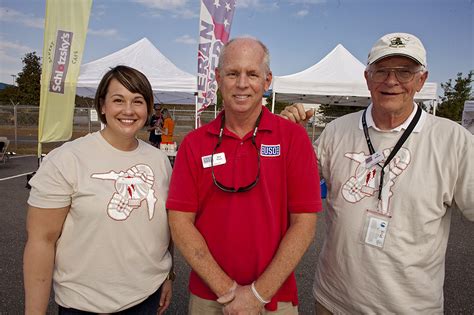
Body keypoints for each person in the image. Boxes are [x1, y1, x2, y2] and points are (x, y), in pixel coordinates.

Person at [281, 32, 474, 314]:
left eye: (404, 72)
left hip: (411, 308)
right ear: (367, 77)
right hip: (333, 301)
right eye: (381, 71)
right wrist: (292, 140)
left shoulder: (453, 140)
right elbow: (296, 185)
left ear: (421, 79)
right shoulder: (337, 131)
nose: (391, 81)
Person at [166, 37, 322, 315]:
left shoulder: (293, 138)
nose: (241, 83)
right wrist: (226, 289)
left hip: (275, 299)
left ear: (267, 80)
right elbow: (180, 221)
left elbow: (305, 224)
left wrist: (257, 294)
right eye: (232, 73)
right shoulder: (194, 143)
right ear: (218, 78)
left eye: (252, 74)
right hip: (208, 297)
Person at [23, 65, 176, 314]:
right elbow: (41, 241)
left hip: (147, 297)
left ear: (148, 108)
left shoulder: (159, 160)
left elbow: (164, 226)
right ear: (102, 105)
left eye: (137, 101)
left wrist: (168, 274)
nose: (128, 110)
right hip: (84, 304)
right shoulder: (67, 159)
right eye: (118, 100)